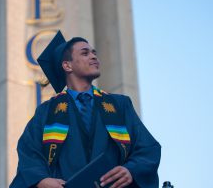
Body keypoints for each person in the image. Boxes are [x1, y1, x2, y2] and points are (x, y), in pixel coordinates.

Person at [10, 31, 161, 188]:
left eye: (94, 53)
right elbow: (29, 153)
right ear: (67, 65)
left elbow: (147, 147)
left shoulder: (119, 105)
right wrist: (41, 181)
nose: (94, 56)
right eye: (85, 53)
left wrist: (131, 169)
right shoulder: (47, 112)